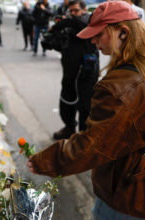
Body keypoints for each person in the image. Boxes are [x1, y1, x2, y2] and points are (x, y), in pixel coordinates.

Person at [27, 1, 145, 219]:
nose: (93, 40)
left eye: (99, 34)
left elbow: (93, 145)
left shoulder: (121, 85)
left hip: (133, 197)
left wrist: (46, 160)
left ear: (123, 32)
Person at [52, 0, 99, 140]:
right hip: (69, 71)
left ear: (84, 10)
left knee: (85, 104)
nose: (73, 14)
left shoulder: (88, 20)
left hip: (86, 71)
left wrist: (61, 24)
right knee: (67, 99)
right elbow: (60, 43)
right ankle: (69, 127)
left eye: (76, 10)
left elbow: (80, 25)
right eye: (70, 11)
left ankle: (82, 137)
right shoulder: (69, 23)